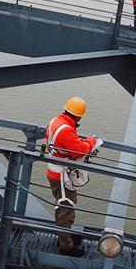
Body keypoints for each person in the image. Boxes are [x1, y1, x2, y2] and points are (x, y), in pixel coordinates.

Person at [45, 96, 101, 256]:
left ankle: (64, 236)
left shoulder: (54, 121)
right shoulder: (67, 129)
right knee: (67, 209)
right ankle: (65, 246)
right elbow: (80, 150)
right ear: (78, 116)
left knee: (62, 205)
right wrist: (91, 141)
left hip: (54, 171)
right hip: (62, 175)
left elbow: (64, 144)